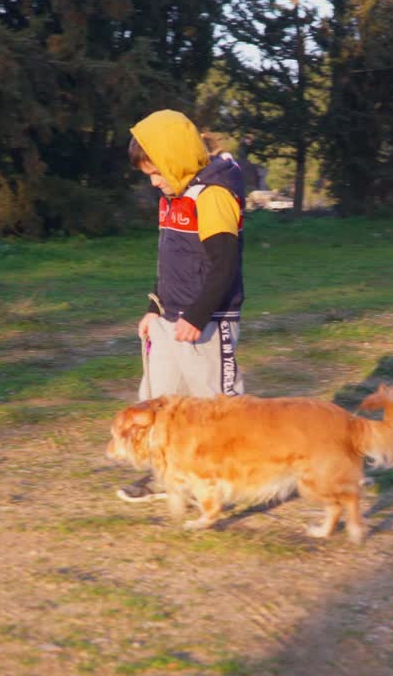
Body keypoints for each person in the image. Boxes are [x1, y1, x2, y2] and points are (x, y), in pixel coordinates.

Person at [117, 110, 247, 503]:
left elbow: (224, 265)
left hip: (206, 323)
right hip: (169, 321)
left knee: (215, 407)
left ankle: (231, 480)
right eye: (149, 176)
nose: (155, 182)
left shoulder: (215, 196)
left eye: (157, 172)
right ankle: (167, 478)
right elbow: (170, 262)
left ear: (177, 159)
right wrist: (154, 308)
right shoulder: (175, 199)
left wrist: (197, 314)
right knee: (162, 401)